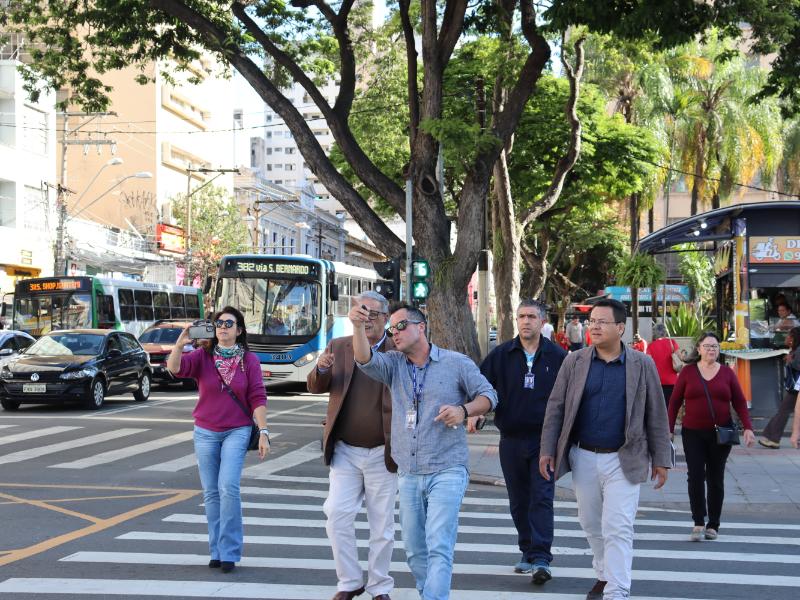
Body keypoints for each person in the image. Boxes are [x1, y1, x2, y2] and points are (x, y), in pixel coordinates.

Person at [350, 302, 497, 600]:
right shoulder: (393, 363)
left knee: (439, 544)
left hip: (447, 468)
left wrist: (463, 409)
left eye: (401, 326)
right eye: (392, 329)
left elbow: (489, 396)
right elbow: (364, 360)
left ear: (421, 327)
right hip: (409, 471)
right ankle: (427, 592)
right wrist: (356, 326)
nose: (395, 333)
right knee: (416, 551)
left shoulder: (456, 363)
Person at [539, 298, 672, 600]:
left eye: (602, 321)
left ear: (620, 328)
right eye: (592, 321)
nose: (594, 326)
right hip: (583, 455)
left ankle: (617, 591)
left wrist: (662, 459)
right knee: (590, 523)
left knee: (618, 527)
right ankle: (604, 573)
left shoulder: (642, 364)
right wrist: (547, 449)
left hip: (624, 458)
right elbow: (556, 406)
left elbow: (656, 414)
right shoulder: (575, 361)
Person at [307, 291, 396, 600]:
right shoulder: (339, 346)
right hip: (346, 449)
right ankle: (349, 581)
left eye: (373, 313)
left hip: (383, 452)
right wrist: (320, 367)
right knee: (336, 513)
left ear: (386, 318)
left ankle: (379, 586)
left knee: (382, 525)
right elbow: (316, 386)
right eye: (361, 311)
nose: (366, 317)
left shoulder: (397, 348)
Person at [167, 307, 269, 573]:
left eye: (229, 323)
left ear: (239, 330)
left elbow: (257, 396)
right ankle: (217, 550)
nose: (223, 327)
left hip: (237, 430)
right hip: (205, 431)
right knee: (211, 493)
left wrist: (264, 432)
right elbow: (175, 369)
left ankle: (230, 552)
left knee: (228, 487)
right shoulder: (202, 356)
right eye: (219, 323)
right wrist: (180, 344)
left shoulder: (250, 361)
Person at [480, 299, 566, 583]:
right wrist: (474, 413)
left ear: (542, 321)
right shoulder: (502, 354)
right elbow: (480, 385)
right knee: (519, 500)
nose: (525, 321)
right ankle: (527, 550)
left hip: (546, 441)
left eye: (531, 316)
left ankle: (542, 557)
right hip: (511, 439)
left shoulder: (558, 356)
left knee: (542, 497)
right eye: (521, 316)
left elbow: (571, 397)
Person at [668, 332, 755, 542]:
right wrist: (668, 429)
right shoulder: (688, 373)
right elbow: (674, 402)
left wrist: (748, 428)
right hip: (693, 433)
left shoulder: (727, 373)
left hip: (721, 434)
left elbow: (740, 402)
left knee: (716, 478)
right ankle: (698, 522)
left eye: (715, 347)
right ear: (699, 349)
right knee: (695, 476)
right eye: (707, 346)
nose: (711, 350)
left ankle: (713, 524)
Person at [759, 326, 800, 449]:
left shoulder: (798, 351)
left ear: (794, 338)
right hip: (794, 387)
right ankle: (772, 437)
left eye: (789, 335)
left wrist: (790, 361)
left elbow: (798, 366)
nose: (786, 337)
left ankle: (773, 438)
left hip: (796, 388)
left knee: (783, 411)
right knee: (784, 411)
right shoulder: (795, 350)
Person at [647, 323, 681, 407]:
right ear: (665, 332)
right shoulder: (672, 343)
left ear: (654, 333)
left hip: (656, 382)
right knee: (671, 407)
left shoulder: (650, 346)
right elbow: (680, 357)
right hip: (672, 382)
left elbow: (648, 363)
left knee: (659, 408)